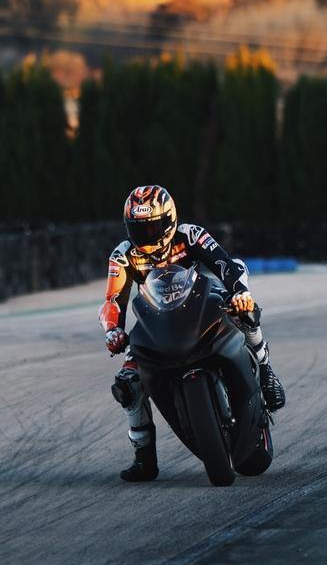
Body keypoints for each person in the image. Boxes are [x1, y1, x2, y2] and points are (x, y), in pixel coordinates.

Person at [99, 184, 286, 482]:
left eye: (152, 227)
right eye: (138, 229)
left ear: (169, 220)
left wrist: (240, 293)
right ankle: (144, 459)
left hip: (204, 305)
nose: (145, 236)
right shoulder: (123, 255)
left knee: (246, 311)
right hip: (156, 321)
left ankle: (265, 370)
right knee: (127, 385)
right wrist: (113, 330)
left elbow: (227, 265)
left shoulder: (190, 235)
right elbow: (113, 301)